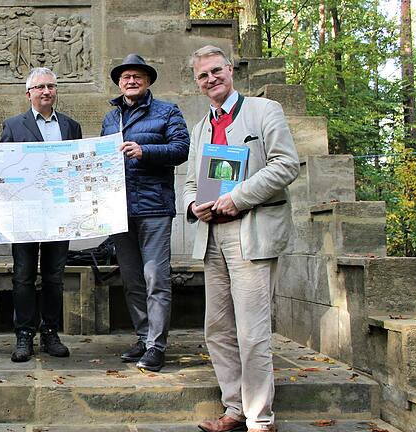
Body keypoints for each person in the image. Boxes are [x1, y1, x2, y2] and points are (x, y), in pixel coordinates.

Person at [183, 45, 299, 432]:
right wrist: (192, 206)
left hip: (251, 231)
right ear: (197, 83)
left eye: (216, 71)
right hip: (211, 235)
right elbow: (188, 183)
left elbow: (286, 165)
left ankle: (260, 419)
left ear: (230, 71)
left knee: (252, 331)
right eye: (203, 75)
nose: (211, 79)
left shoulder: (264, 111)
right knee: (217, 329)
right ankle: (233, 409)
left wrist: (238, 197)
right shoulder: (200, 128)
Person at [0, 67, 83, 362]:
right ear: (29, 94)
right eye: (40, 87)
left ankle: (50, 332)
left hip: (59, 214)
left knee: (54, 276)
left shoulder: (72, 126)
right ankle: (24, 335)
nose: (46, 91)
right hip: (25, 214)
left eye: (51, 86)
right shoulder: (13, 125)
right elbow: (2, 166)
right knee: (23, 275)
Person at [100, 54, 190, 372]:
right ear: (119, 83)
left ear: (148, 81)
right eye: (126, 77)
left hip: (154, 208)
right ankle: (142, 336)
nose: (132, 81)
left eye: (138, 76)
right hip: (119, 210)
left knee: (156, 279)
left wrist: (145, 151)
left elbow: (181, 149)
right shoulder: (111, 119)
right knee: (132, 280)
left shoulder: (167, 111)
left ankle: (156, 346)